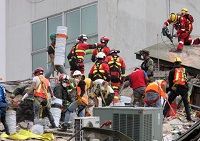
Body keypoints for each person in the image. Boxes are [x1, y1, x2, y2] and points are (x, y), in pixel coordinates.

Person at [163, 57, 193, 122]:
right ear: (180, 63)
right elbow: (185, 80)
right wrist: (187, 88)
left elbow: (170, 81)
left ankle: (163, 116)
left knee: (169, 102)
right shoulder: (184, 70)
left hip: (176, 88)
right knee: (186, 104)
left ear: (174, 64)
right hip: (184, 88)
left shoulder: (172, 71)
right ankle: (189, 118)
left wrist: (171, 89)